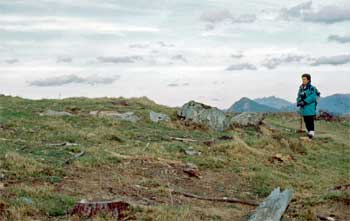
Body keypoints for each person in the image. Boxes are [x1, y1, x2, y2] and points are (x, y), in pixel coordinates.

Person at [296, 73, 319, 139]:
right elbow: (298, 96)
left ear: (308, 80)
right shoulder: (301, 88)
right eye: (302, 79)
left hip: (310, 107)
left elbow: (313, 97)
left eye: (304, 79)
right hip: (304, 108)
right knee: (306, 120)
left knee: (310, 120)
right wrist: (299, 102)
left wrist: (304, 101)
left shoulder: (312, 88)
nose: (303, 80)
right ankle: (309, 132)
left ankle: (311, 133)